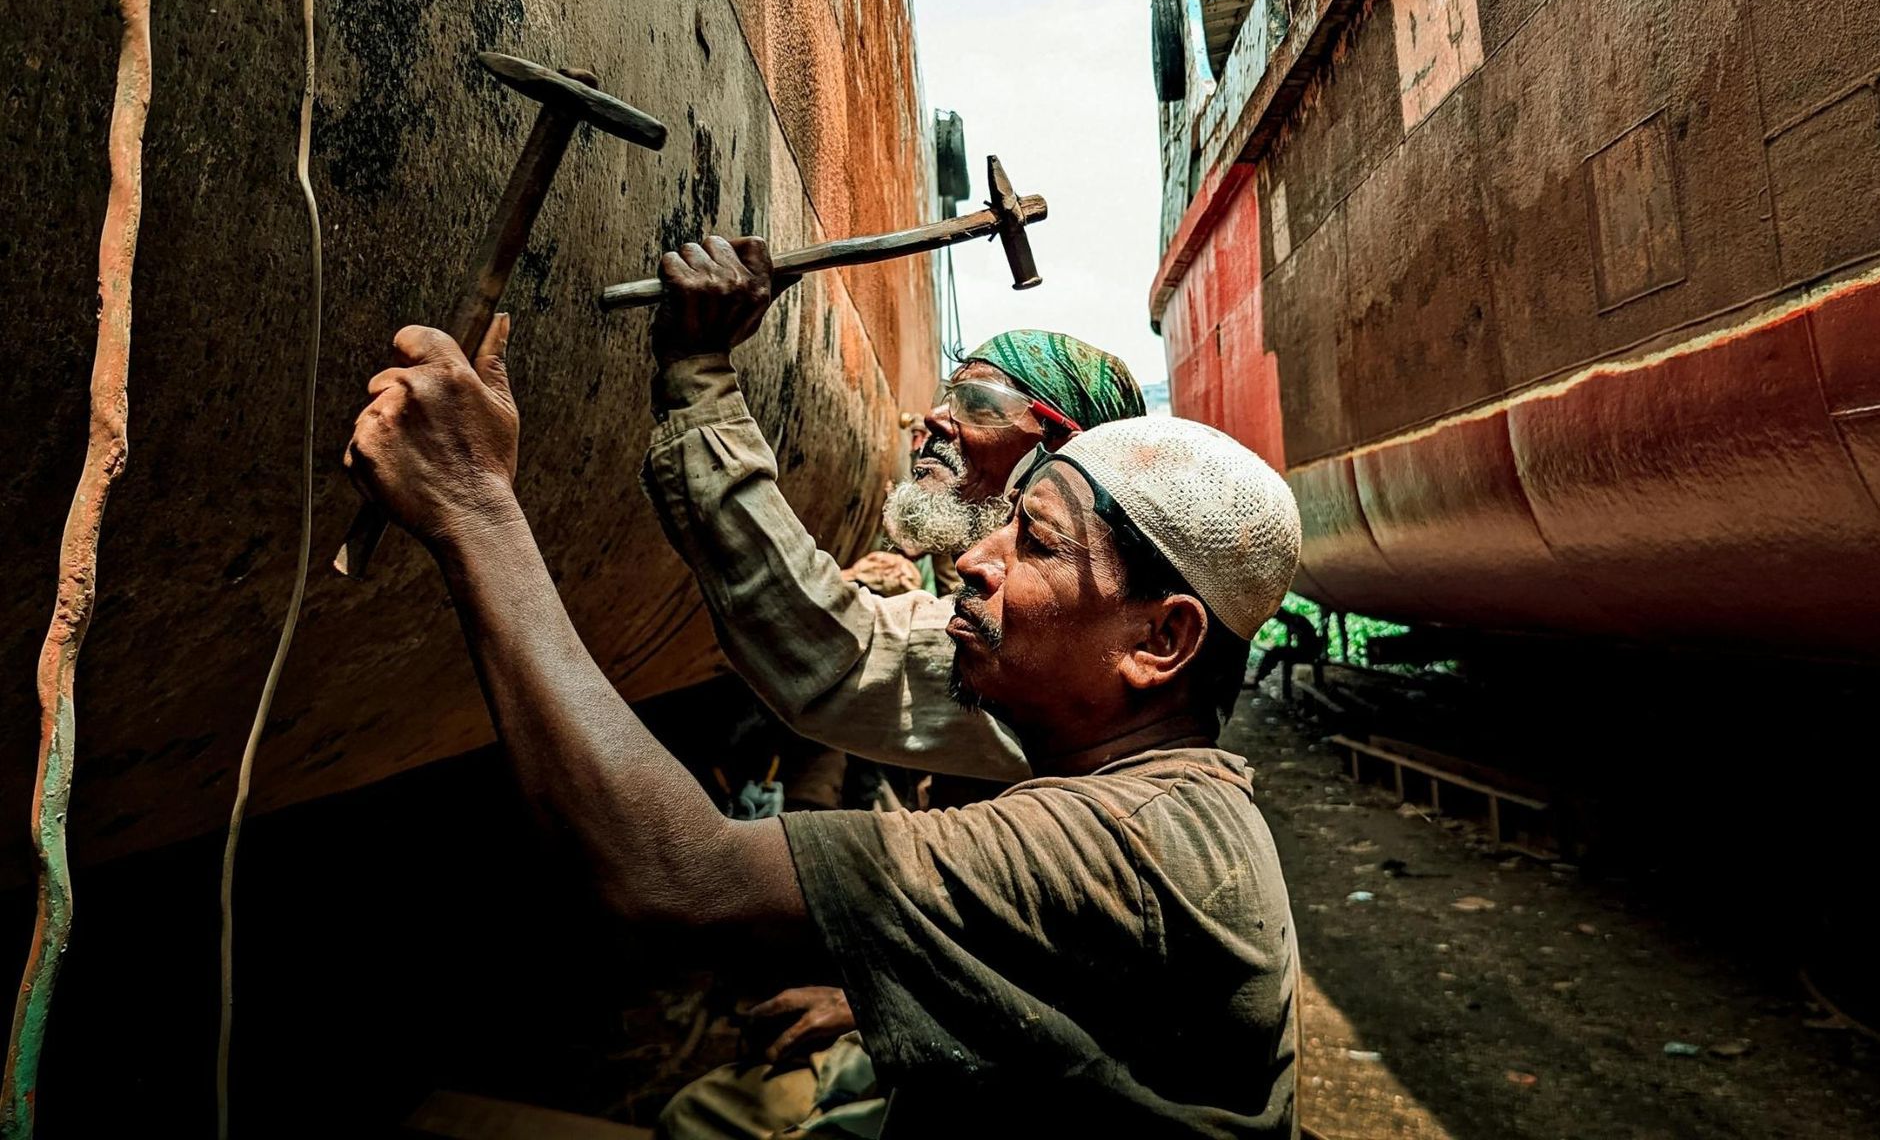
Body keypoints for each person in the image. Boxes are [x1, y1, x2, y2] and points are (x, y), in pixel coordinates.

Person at [341, 275, 1305, 1133]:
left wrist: (473, 507)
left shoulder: (1114, 840)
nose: (975, 560)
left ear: (1160, 640)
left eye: (1036, 542)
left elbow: (675, 876)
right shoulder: (1155, 781)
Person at [642, 239, 1145, 787]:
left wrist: (699, 374)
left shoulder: (1059, 626)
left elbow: (837, 652)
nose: (933, 417)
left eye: (975, 402)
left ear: (1058, 448)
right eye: (945, 395)